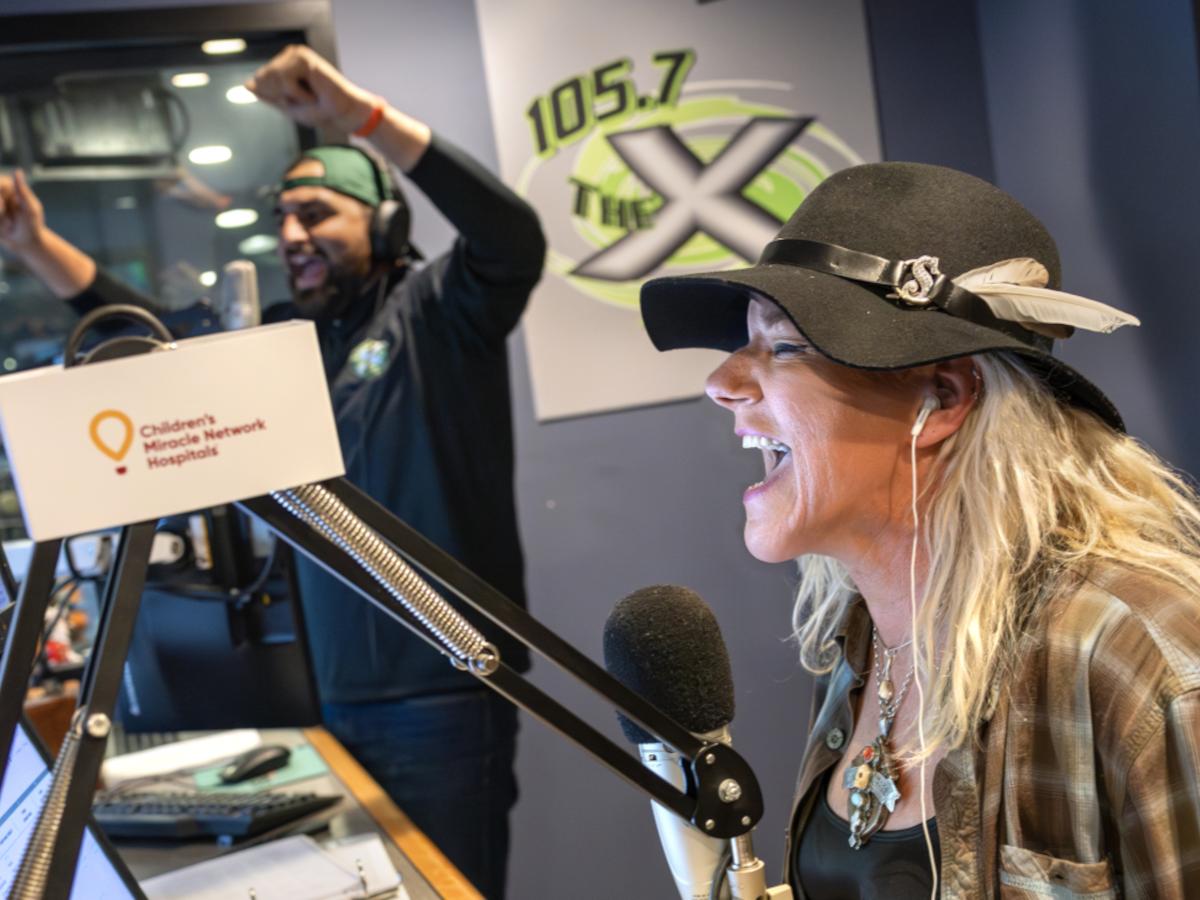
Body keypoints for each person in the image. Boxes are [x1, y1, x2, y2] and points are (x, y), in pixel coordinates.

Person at [0, 45, 544, 898]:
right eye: (283, 217)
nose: (293, 235)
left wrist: (360, 118)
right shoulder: (289, 347)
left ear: (386, 226)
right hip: (325, 700)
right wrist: (31, 244)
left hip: (441, 698)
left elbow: (512, 235)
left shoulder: (441, 313)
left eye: (319, 213)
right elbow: (151, 336)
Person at [638, 162, 1200, 897]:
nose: (722, 382)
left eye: (782, 347)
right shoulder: (865, 641)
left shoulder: (1143, 654)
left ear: (941, 398)